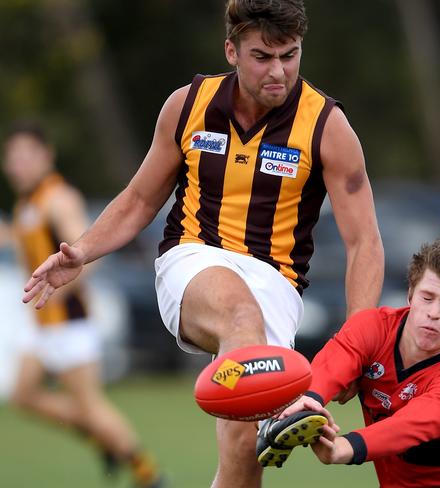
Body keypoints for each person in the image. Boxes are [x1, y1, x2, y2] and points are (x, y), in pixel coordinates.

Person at [22, 1, 385, 487]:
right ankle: (283, 408)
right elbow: (138, 199)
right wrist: (83, 251)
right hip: (193, 258)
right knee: (239, 315)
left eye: (290, 56)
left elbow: (365, 243)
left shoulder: (328, 127)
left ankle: (268, 415)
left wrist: (356, 346)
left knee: (240, 455)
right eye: (262, 56)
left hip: (277, 284)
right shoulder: (188, 105)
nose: (278, 71)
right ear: (231, 50)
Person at [258, 238, 440, 487]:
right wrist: (307, 400)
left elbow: (409, 426)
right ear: (410, 294)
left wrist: (343, 447)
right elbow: (334, 363)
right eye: (427, 298)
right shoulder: (374, 328)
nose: (434, 313)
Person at [2, 121, 164, 488]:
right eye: (13, 158)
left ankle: (148, 473)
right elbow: (27, 237)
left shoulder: (59, 198)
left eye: (26, 156)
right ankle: (100, 437)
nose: (18, 165)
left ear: (47, 156)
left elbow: (90, 255)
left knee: (91, 407)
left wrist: (62, 288)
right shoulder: (27, 202)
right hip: (41, 324)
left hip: (69, 323)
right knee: (23, 395)